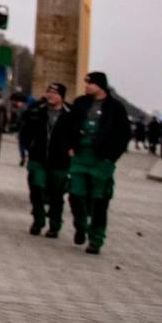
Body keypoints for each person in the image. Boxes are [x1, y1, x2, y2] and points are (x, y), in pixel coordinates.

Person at [56, 71, 129, 254]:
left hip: (101, 160)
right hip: (80, 155)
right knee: (75, 193)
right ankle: (81, 225)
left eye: (89, 83)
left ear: (100, 85)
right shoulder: (80, 103)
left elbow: (123, 134)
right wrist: (69, 146)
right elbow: (66, 125)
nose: (86, 86)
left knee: (100, 200)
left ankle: (96, 239)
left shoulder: (115, 107)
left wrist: (111, 157)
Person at [21, 83, 68, 236]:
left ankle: (55, 224)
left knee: (56, 194)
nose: (51, 95)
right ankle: (38, 219)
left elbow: (75, 134)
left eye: (55, 93)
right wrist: (28, 146)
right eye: (49, 92)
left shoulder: (70, 113)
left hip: (60, 161)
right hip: (38, 157)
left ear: (61, 96)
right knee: (36, 187)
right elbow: (25, 127)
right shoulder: (37, 109)